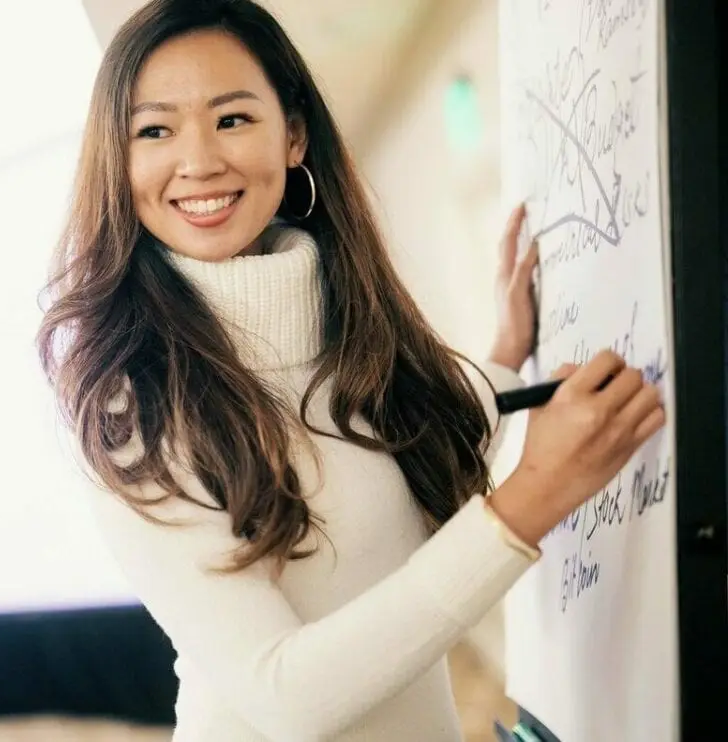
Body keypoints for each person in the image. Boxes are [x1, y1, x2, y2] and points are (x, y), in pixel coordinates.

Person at [36, 0, 666, 740]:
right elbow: (287, 697)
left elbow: (377, 449)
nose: (199, 159)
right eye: (155, 129)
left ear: (293, 135)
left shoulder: (350, 324)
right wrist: (530, 501)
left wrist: (503, 358)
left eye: (233, 118)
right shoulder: (131, 406)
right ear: (119, 157)